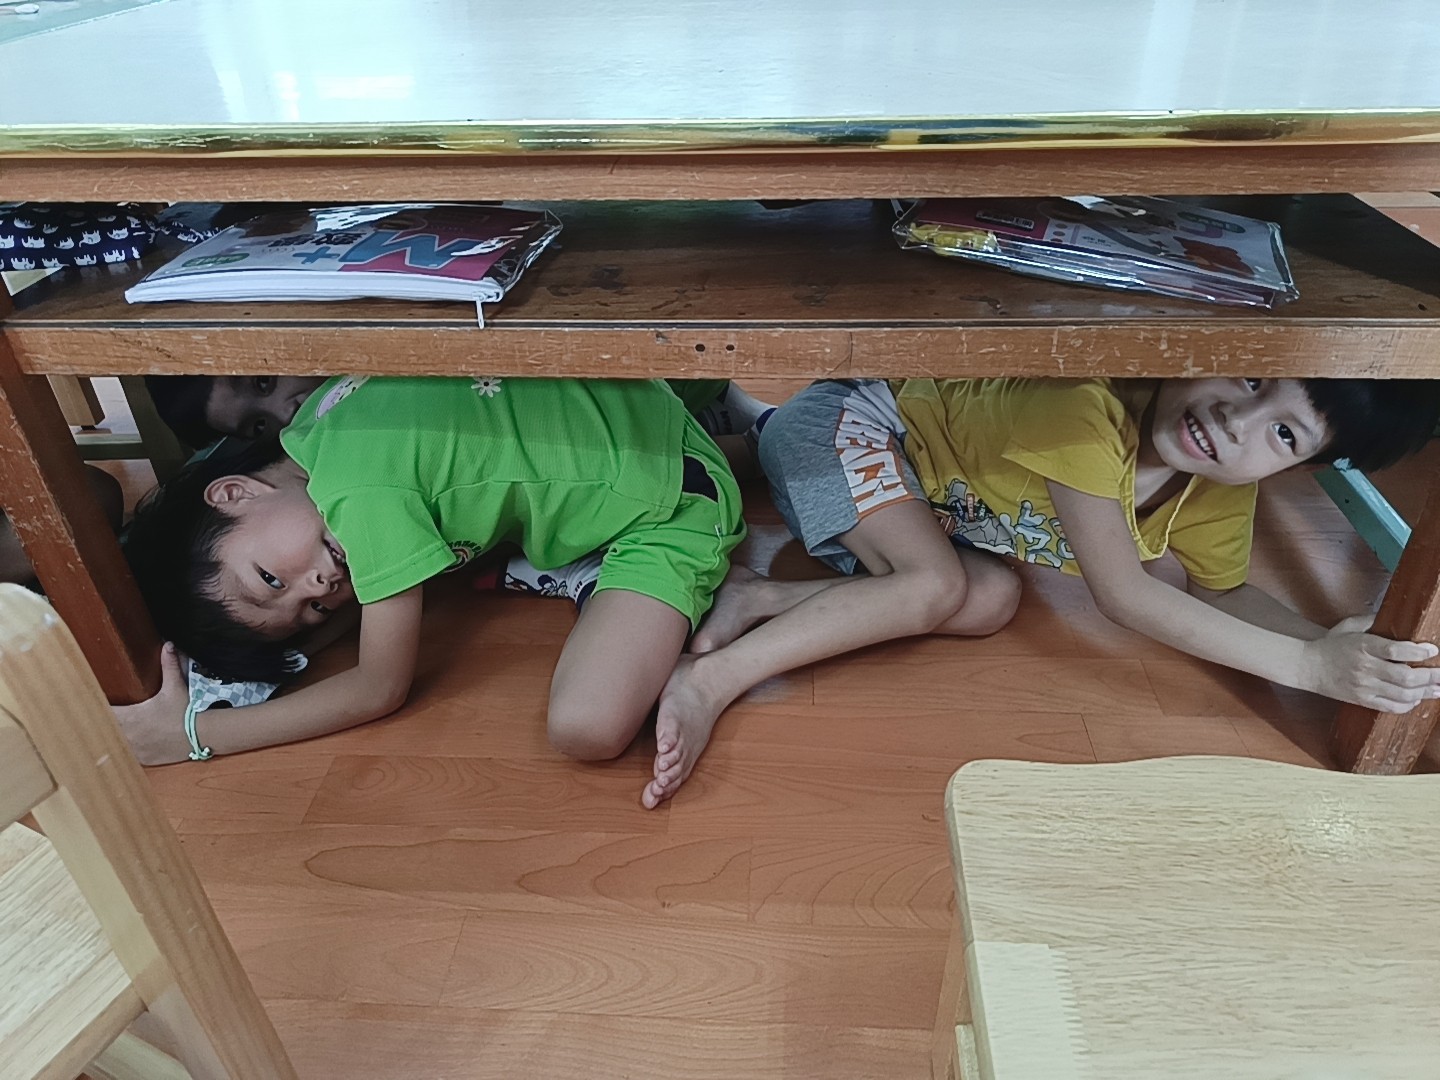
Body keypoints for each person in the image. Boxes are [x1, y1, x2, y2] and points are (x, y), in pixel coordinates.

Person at [644, 375, 1440, 803]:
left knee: (989, 599)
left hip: (906, 496)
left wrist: (1327, 645)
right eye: (1253, 375)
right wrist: (1310, 670)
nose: (1239, 419)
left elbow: (1225, 593)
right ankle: (709, 678)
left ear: (1297, 467)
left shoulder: (1216, 493)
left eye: (1283, 432)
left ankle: (758, 598)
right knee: (933, 583)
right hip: (848, 424)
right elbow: (1124, 595)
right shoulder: (1086, 409)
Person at [119, 375, 745, 809]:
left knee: (586, 727)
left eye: (269, 580)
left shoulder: (360, 497)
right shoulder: (320, 420)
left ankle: (716, 634)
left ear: (233, 493)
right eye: (313, 609)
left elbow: (379, 687)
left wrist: (193, 737)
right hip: (637, 413)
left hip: (674, 503)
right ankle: (743, 479)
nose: (323, 586)